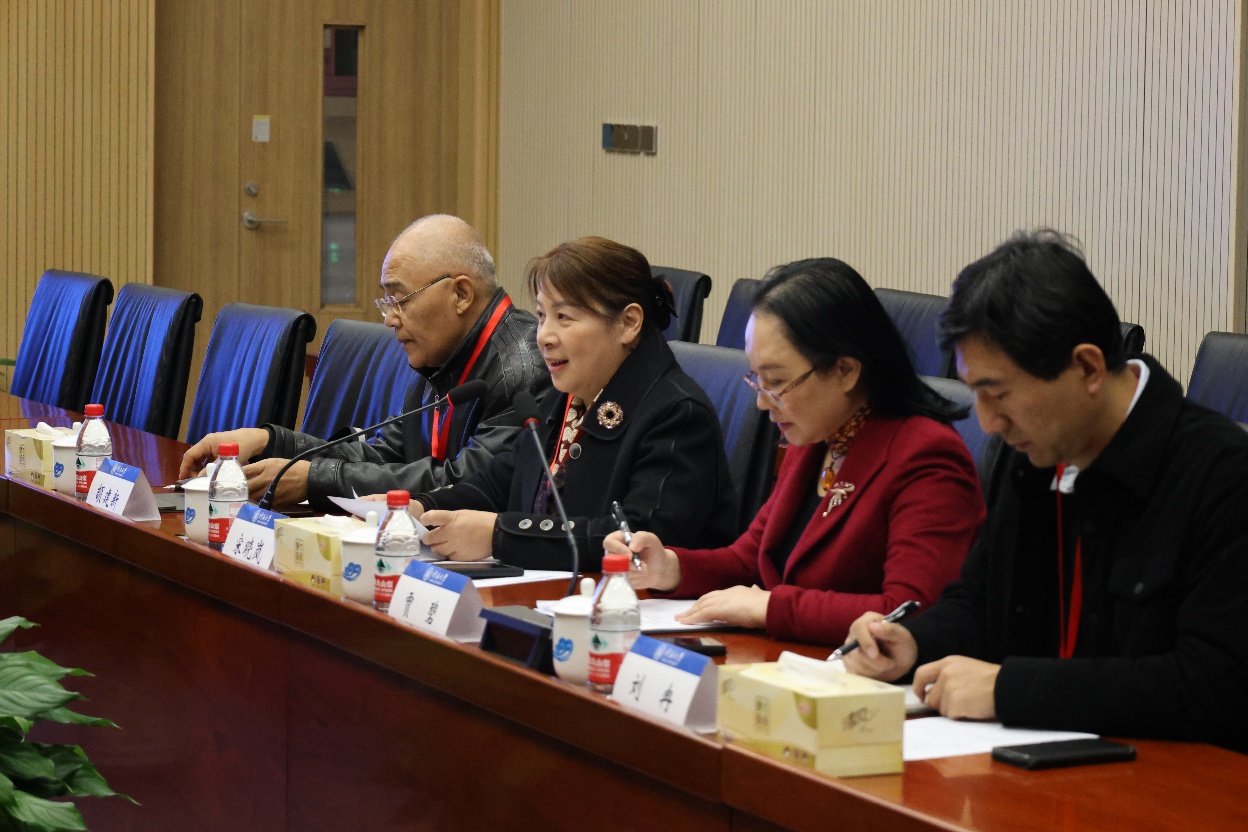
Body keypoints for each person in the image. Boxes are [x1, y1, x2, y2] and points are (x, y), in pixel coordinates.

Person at [843, 230, 1248, 753]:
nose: (988, 423)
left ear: (1087, 367)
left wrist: (1011, 689)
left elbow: (1216, 686)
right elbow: (981, 600)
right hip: (1035, 766)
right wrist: (915, 642)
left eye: (998, 394)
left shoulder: (1223, 476)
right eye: (975, 394)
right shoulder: (1036, 455)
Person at [604, 258, 985, 645]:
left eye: (776, 381)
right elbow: (752, 558)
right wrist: (669, 567)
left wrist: (772, 608)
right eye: (757, 379)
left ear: (846, 371)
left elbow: (909, 612)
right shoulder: (818, 434)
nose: (762, 402)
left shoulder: (926, 456)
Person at [407, 236, 739, 571]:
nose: (543, 336)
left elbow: (637, 541)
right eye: (541, 315)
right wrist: (420, 508)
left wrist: (500, 536)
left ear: (628, 323)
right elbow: (499, 483)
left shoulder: (677, 415)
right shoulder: (568, 396)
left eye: (564, 316)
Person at [179, 214, 550, 511]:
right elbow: (381, 455)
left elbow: (467, 483)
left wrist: (314, 480)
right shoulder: (443, 352)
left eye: (400, 299)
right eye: (386, 302)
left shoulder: (526, 369)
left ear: (461, 294)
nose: (389, 319)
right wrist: (272, 442)